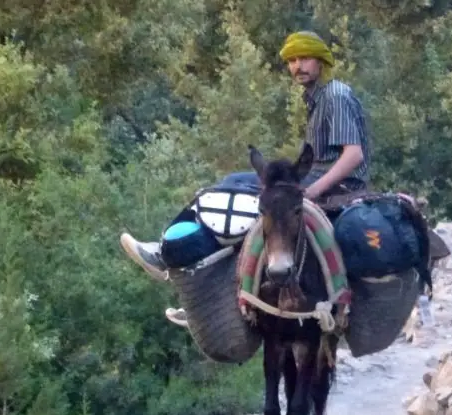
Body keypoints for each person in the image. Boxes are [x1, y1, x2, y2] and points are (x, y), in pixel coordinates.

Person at [119, 30, 373, 324]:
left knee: (228, 191)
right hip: (314, 178)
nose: (297, 66)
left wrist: (312, 190)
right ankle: (209, 298)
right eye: (291, 60)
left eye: (304, 58)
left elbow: (354, 155)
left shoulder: (336, 96)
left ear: (321, 61)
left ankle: (163, 254)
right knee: (236, 197)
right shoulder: (317, 100)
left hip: (334, 184)